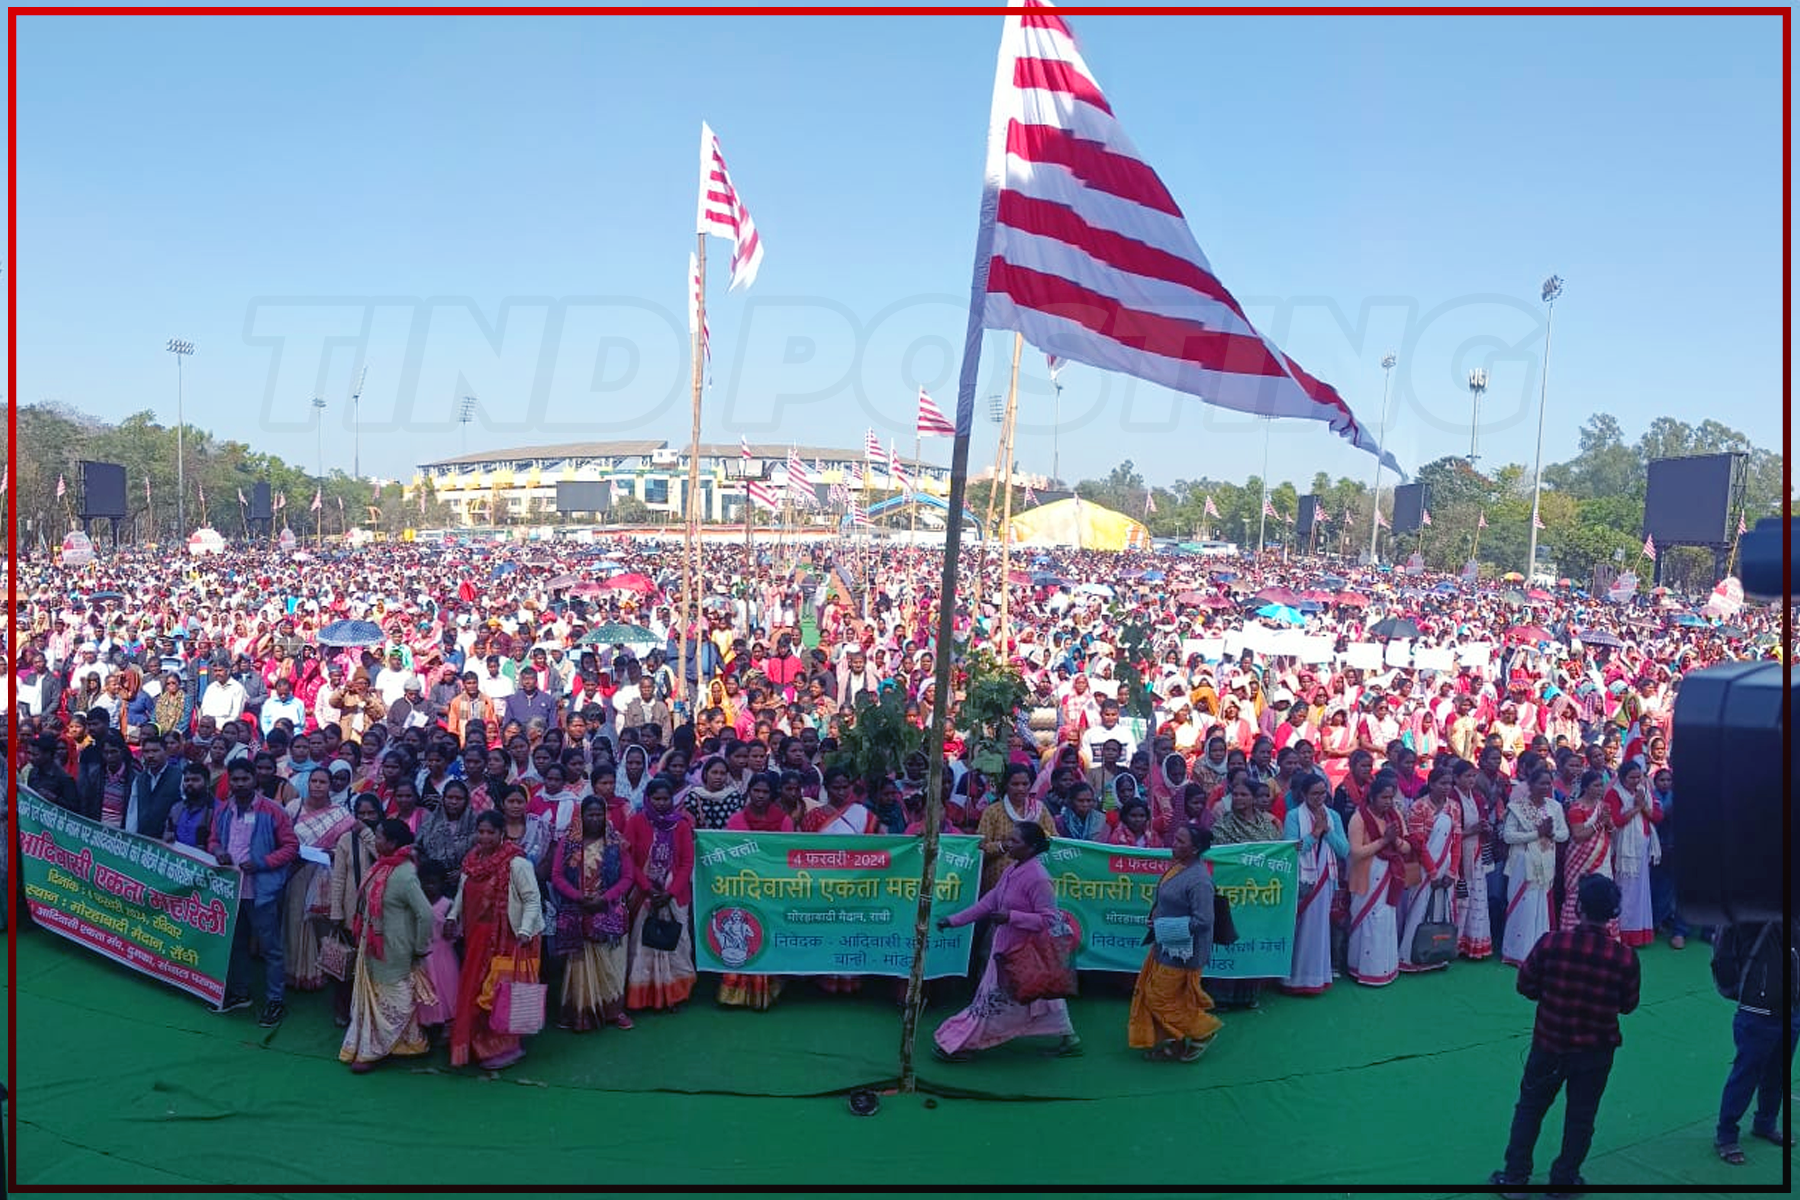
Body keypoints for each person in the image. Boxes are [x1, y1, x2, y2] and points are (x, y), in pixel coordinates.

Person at [1491, 874, 1640, 1200]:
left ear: (1579, 905)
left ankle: (1515, 1178)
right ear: (1611, 913)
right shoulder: (1625, 958)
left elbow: (1525, 986)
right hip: (1595, 1052)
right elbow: (1629, 1005)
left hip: (1550, 1044)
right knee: (1581, 1117)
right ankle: (1564, 1180)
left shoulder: (1551, 943)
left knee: (1530, 1108)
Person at [932, 821, 1081, 1062]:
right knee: (1042, 995)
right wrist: (953, 921)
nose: (1007, 845)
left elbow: (1049, 920)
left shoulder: (1038, 878)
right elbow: (989, 902)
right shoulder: (1012, 869)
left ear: (1030, 848)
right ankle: (1069, 1037)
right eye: (1008, 839)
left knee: (995, 1000)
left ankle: (966, 1043)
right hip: (1006, 947)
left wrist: (1011, 916)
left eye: (1014, 841)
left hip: (1024, 951)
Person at [447, 810, 546, 1070]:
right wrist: (451, 917)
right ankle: (475, 1045)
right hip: (476, 937)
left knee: (499, 994)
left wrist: (525, 930)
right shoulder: (471, 861)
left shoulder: (516, 863)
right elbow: (461, 894)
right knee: (474, 990)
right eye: (481, 831)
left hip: (509, 938)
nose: (485, 837)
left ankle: (504, 1047)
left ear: (502, 833)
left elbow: (532, 899)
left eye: (490, 832)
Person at [338, 819, 436, 1073]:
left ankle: (372, 1052)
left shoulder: (404, 874)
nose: (375, 840)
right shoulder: (383, 866)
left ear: (391, 843)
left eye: (379, 837)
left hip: (393, 948)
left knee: (394, 1000)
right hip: (373, 944)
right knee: (377, 996)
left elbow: (425, 914)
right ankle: (411, 1043)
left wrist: (419, 947)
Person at [209, 759, 300, 1026]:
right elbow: (213, 840)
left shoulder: (273, 811)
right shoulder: (224, 810)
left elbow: (291, 847)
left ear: (254, 780)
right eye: (234, 780)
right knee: (237, 945)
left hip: (262, 891)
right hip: (233, 891)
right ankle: (241, 993)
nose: (239, 785)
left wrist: (262, 864)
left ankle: (275, 1001)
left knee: (270, 948)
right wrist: (217, 852)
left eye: (244, 779)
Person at [1128, 822, 1223, 1062]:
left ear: (1194, 849)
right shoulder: (1179, 868)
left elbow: (1204, 920)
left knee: (1158, 997)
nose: (1174, 843)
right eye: (1176, 838)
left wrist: (1164, 926)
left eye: (1181, 841)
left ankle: (1203, 1031)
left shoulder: (1199, 880)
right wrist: (1157, 919)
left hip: (1184, 951)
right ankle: (1176, 1043)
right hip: (1166, 944)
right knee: (1165, 996)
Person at [1711, 918, 1798, 1166]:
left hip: (1790, 1008)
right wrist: (1741, 989)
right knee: (1746, 1073)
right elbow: (1727, 945)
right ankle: (1726, 1135)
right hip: (1757, 1008)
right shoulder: (1753, 908)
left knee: (1778, 1072)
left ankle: (1765, 1123)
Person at [551, 796, 635, 1032]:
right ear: (581, 816)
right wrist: (579, 897)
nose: (595, 819)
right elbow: (556, 876)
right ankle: (580, 1013)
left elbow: (627, 877)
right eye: (590, 814)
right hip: (576, 909)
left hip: (607, 908)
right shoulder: (568, 842)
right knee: (579, 963)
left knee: (610, 963)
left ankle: (613, 1010)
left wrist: (604, 899)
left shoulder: (616, 842)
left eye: (599, 814)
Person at [623, 776, 697, 1012]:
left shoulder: (682, 824)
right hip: (644, 895)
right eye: (657, 799)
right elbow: (629, 859)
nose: (662, 803)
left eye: (666, 799)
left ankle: (674, 995)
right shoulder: (635, 822)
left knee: (677, 943)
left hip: (675, 895)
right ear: (648, 799)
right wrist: (648, 888)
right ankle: (645, 996)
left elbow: (687, 862)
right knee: (643, 944)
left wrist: (670, 892)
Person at [1281, 772, 1346, 996]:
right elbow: (1291, 849)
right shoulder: (1292, 817)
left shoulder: (1334, 816)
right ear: (1303, 794)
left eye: (1323, 793)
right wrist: (1314, 833)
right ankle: (1293, 979)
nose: (1320, 798)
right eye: (1315, 794)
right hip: (1301, 880)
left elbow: (1344, 850)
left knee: (1319, 929)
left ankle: (1317, 977)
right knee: (1300, 929)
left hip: (1326, 878)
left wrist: (1326, 831)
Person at [1346, 772, 1410, 987]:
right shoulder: (1359, 818)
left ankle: (1383, 969)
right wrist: (1384, 841)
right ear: (1372, 797)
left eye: (1391, 798)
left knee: (1384, 922)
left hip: (1389, 878)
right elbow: (1355, 852)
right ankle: (1360, 969)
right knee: (1367, 922)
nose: (1388, 802)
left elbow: (1408, 846)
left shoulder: (1395, 816)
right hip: (1365, 880)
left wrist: (1395, 842)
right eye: (1384, 798)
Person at [1503, 769, 1570, 967]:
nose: (1546, 787)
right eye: (1541, 783)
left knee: (1541, 905)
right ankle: (1517, 952)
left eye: (1548, 783)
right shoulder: (1516, 807)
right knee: (1524, 905)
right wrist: (1536, 833)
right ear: (1530, 785)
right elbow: (1508, 836)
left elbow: (1564, 834)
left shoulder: (1555, 807)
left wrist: (1550, 834)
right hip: (1523, 864)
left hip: (1546, 861)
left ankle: (1539, 950)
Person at [1397, 766, 1460, 974]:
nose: (1446, 788)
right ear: (1431, 784)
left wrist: (1452, 871)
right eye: (1442, 783)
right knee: (1419, 908)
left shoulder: (1454, 807)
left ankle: (1438, 954)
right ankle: (1410, 956)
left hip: (1446, 867)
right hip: (1425, 869)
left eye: (1449, 784)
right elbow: (1418, 843)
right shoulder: (1419, 807)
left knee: (1442, 910)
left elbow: (1456, 840)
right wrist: (1432, 872)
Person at [1604, 761, 1661, 948]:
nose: (1636, 781)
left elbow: (1657, 817)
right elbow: (1617, 821)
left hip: (1642, 849)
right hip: (1624, 851)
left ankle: (1639, 934)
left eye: (1639, 777)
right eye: (1632, 777)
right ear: (1622, 777)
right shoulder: (1614, 793)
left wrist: (1643, 805)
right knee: (1625, 891)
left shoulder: (1643, 790)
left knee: (1640, 892)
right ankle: (1622, 935)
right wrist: (1637, 807)